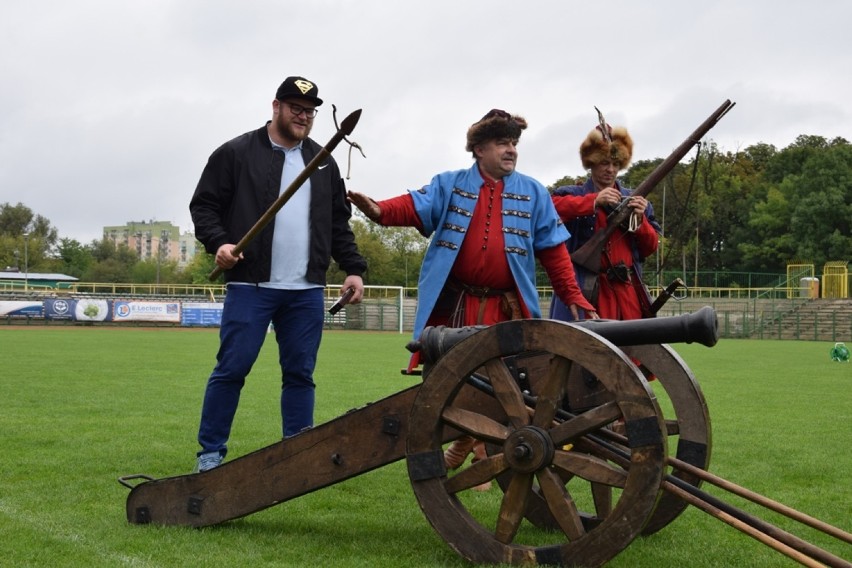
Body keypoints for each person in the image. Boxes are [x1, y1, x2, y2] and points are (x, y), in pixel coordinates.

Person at [348, 109, 596, 489]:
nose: (511, 150)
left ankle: (470, 453)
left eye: (514, 143)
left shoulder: (533, 192)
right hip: (457, 308)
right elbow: (415, 204)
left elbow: (554, 252)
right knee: (450, 382)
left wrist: (573, 295)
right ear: (479, 149)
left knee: (507, 387)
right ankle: (469, 451)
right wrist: (379, 211)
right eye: (502, 143)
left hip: (506, 309)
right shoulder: (449, 184)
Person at [189, 75, 367, 472]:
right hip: (250, 284)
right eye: (295, 109)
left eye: (310, 111)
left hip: (305, 289)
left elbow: (338, 223)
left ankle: (298, 456)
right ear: (276, 107)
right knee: (232, 368)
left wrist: (354, 268)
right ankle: (211, 454)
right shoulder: (235, 153)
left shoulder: (323, 161)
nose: (303, 117)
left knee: (300, 374)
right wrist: (219, 243)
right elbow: (203, 207)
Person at [550, 121, 661, 321]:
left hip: (626, 290)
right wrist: (593, 201)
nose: (610, 169)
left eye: (615, 164)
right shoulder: (570, 194)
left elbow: (650, 247)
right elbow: (550, 211)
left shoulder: (635, 200)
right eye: (604, 162)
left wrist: (639, 220)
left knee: (632, 349)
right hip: (585, 288)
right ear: (592, 162)